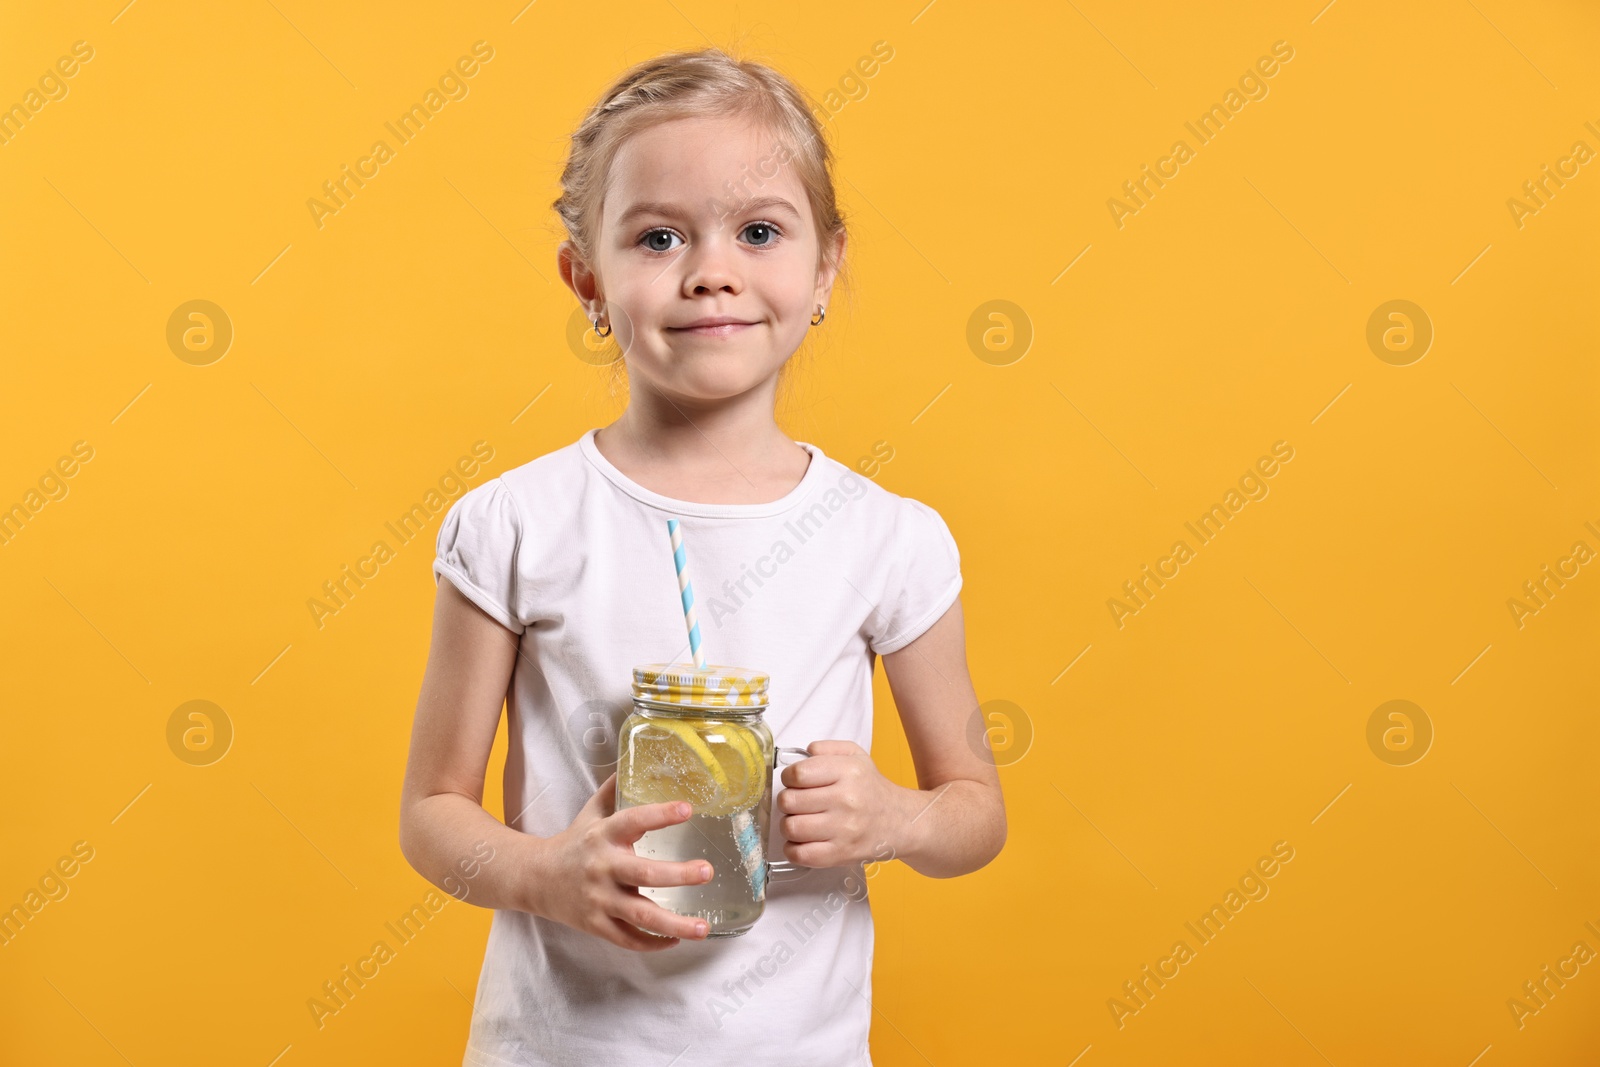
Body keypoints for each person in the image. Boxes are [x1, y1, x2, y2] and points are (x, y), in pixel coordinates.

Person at [399, 46, 1006, 1067]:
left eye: (758, 230)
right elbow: (432, 812)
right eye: (658, 236)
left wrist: (895, 816)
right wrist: (547, 871)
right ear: (586, 279)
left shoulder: (889, 536)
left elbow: (973, 812)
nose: (710, 267)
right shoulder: (512, 525)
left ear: (823, 267)